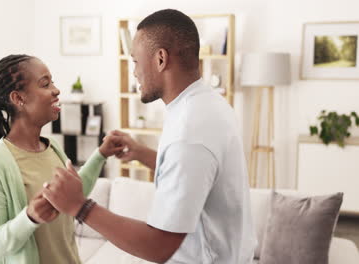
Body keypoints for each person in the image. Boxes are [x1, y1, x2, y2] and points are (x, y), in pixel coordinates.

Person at [42, 9, 257, 264]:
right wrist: (141, 153)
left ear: (160, 59)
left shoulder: (188, 132)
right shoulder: (208, 104)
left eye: (135, 60)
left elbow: (158, 246)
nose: (133, 72)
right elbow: (197, 175)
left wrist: (79, 206)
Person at [0, 54, 123, 264]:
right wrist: (29, 217)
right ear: (18, 98)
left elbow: (74, 195)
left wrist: (101, 154)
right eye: (45, 83)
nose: (56, 90)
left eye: (53, 82)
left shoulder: (52, 147)